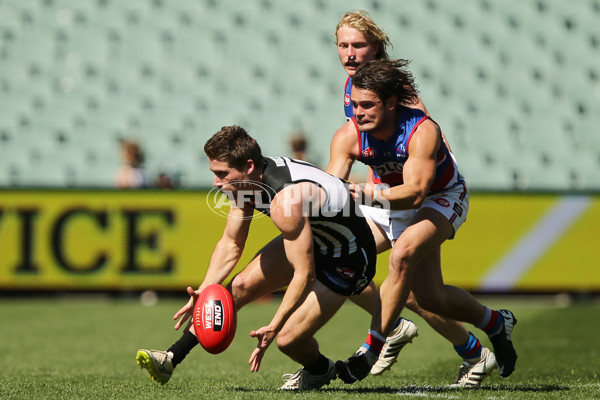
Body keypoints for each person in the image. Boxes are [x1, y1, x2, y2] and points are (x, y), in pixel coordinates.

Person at [136, 125, 378, 391]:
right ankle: (170, 358)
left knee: (288, 340)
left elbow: (304, 274)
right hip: (315, 237)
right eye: (214, 173)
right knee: (238, 287)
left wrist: (274, 325)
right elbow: (231, 243)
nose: (216, 183)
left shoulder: (285, 200)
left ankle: (324, 368)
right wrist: (204, 290)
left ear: (249, 166)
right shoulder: (245, 185)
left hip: (349, 257)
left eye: (222, 174)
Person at [327, 59, 518, 385]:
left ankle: (371, 349)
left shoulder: (422, 130)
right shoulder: (348, 136)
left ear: (390, 103)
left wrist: (362, 193)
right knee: (430, 298)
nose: (358, 113)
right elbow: (331, 191)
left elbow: (415, 194)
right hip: (387, 199)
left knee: (401, 256)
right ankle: (495, 323)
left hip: (441, 196)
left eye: (368, 105)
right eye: (355, 105)